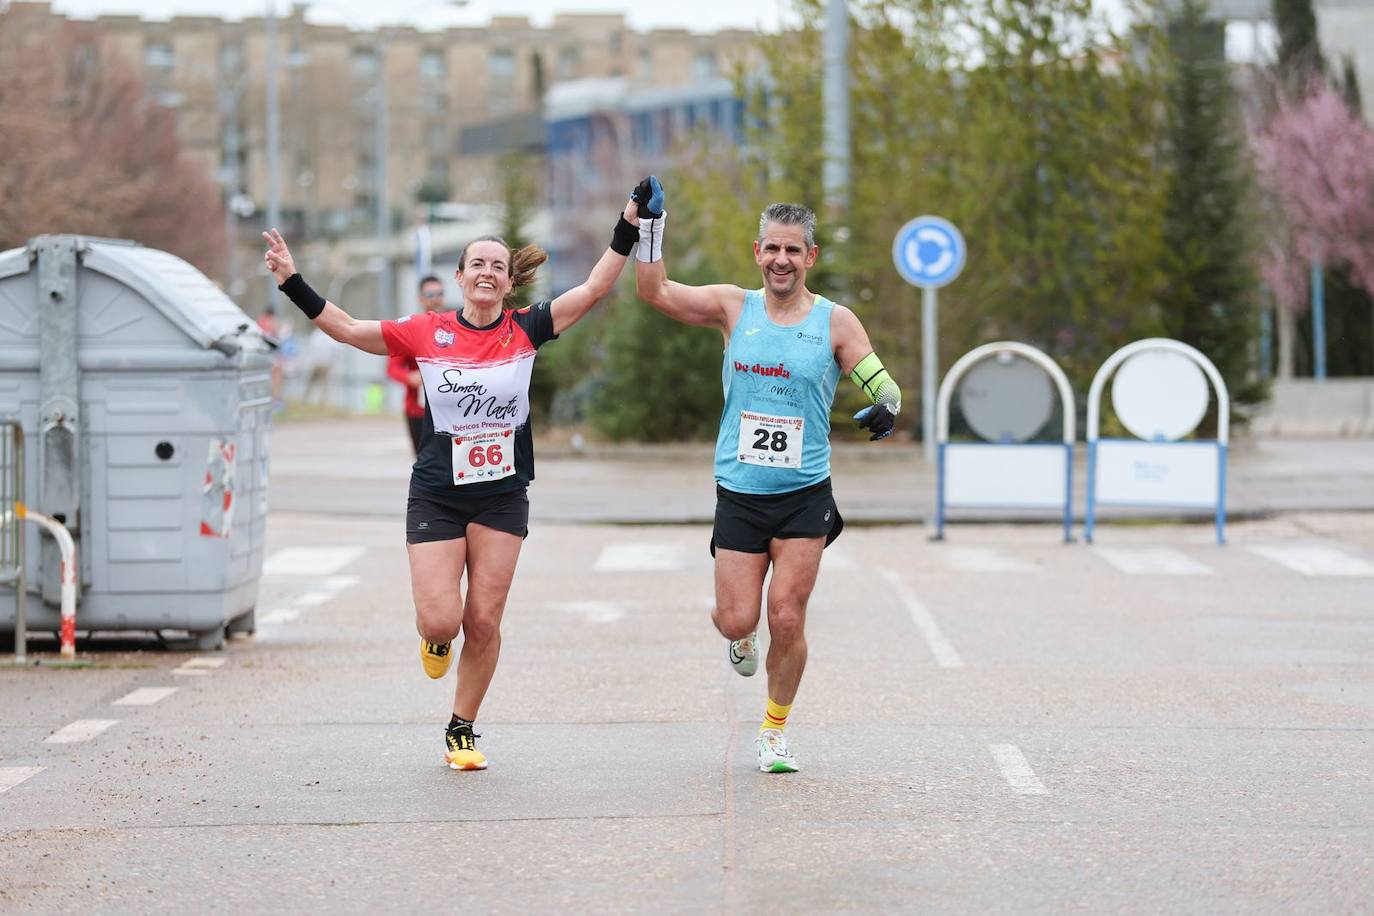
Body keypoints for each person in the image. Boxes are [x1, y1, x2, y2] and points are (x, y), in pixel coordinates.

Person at [262, 195, 643, 771]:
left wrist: (628, 227)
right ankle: (435, 639)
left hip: (502, 493)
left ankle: (461, 728)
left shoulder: (528, 328)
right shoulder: (425, 331)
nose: (486, 272)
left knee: (484, 620)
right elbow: (343, 328)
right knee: (442, 619)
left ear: (508, 282)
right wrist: (292, 280)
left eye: (497, 265)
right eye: (477, 265)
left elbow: (593, 288)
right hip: (438, 492)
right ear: (461, 278)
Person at [633, 179, 902, 774]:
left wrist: (887, 404)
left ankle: (775, 730)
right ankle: (739, 636)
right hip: (740, 491)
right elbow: (654, 291)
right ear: (758, 253)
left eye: (793, 250)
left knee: (788, 613)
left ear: (811, 257)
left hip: (805, 492)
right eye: (772, 249)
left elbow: (882, 381)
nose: (782, 260)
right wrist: (650, 227)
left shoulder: (835, 321)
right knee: (738, 617)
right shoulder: (735, 307)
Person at [387, 275, 446, 454]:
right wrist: (409, 377)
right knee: (424, 462)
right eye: (430, 294)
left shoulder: (453, 327)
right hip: (418, 411)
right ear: (420, 298)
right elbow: (392, 369)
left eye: (439, 293)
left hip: (448, 409)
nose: (435, 298)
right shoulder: (410, 329)